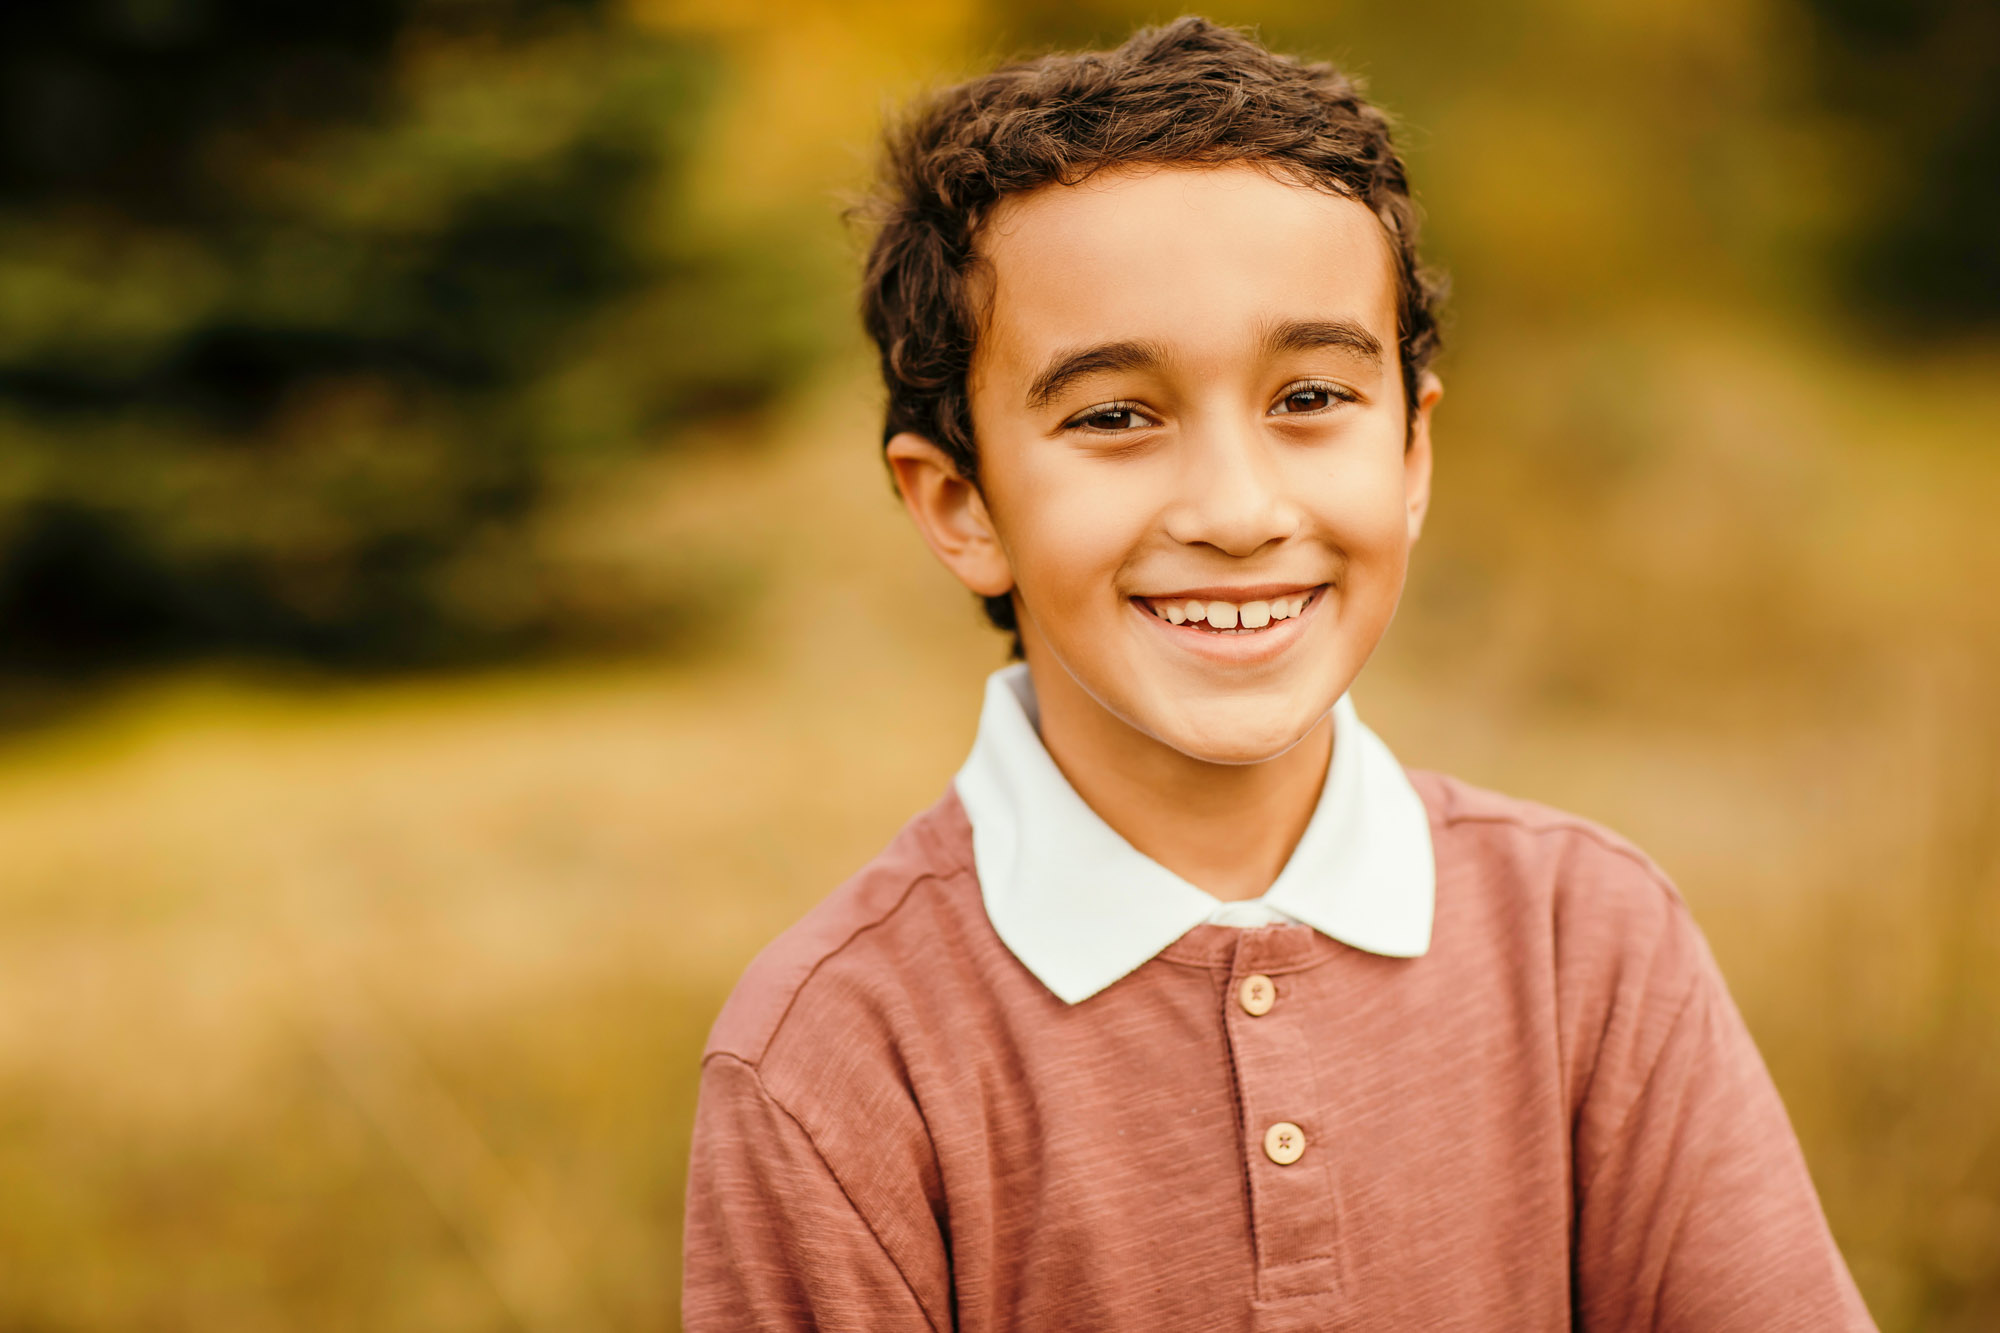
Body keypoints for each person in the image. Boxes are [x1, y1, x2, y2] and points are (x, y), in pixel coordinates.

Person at [680, 17, 1874, 1331]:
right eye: (1114, 415)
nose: (1239, 509)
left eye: (1308, 397)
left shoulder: (1589, 943)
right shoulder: (838, 1054)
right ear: (961, 503)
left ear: (1411, 457)